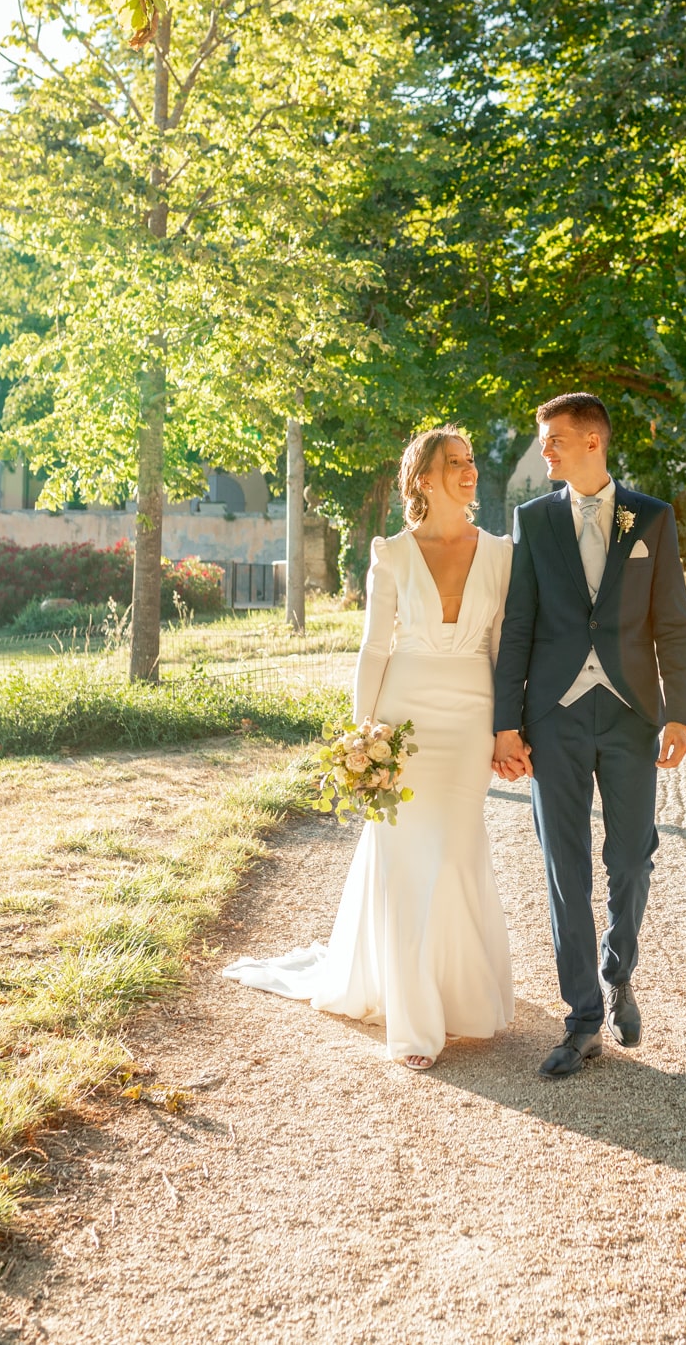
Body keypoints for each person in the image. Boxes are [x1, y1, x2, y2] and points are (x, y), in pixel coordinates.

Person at [224, 427, 515, 1071]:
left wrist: (507, 727)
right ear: (424, 479)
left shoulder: (501, 553)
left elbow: (501, 647)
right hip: (403, 720)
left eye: (471, 463)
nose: (469, 473)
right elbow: (374, 649)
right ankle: (413, 1026)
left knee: (458, 850)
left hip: (471, 717)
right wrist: (364, 735)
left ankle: (460, 998)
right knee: (407, 859)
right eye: (455, 464)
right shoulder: (391, 553)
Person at [492, 392, 686, 1078]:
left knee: (632, 856)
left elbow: (672, 621)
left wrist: (679, 710)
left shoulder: (653, 518)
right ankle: (581, 1018)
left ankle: (618, 970)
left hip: (632, 711)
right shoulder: (532, 521)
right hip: (555, 715)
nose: (543, 450)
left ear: (592, 443)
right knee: (564, 868)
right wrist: (505, 722)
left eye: (552, 439)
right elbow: (518, 624)